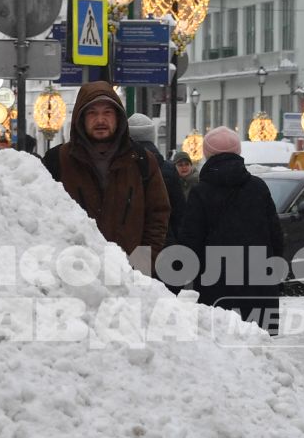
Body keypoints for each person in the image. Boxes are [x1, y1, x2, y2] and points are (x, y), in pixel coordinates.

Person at [46, 80, 171, 273]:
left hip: (129, 276)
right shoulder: (58, 161)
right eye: (92, 113)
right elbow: (43, 216)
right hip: (72, 275)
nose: (100, 120)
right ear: (81, 118)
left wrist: (139, 267)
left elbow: (157, 215)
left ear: (118, 117)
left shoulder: (141, 161)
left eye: (107, 113)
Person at [174, 126, 286, 335]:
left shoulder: (200, 192)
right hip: (258, 281)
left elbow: (191, 240)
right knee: (259, 348)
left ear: (207, 154)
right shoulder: (258, 187)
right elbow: (275, 235)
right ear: (238, 152)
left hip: (215, 283)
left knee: (223, 347)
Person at [127, 113, 187, 244]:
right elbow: (179, 212)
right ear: (152, 136)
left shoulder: (123, 169)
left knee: (140, 265)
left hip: (133, 243)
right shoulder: (168, 169)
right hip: (164, 240)